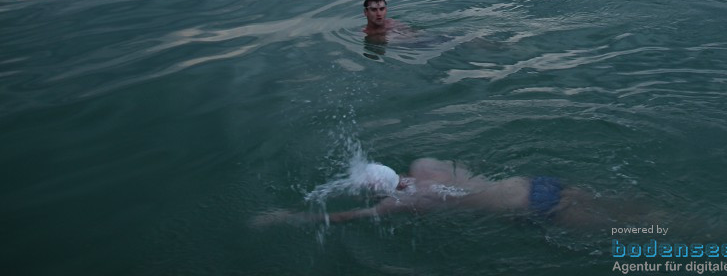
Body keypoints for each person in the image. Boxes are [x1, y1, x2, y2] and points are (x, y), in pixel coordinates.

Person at [252, 157, 649, 230]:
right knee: (635, 209)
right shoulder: (427, 166)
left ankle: (708, 237)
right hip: (533, 184)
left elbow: (340, 218)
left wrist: (284, 217)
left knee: (639, 231)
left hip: (532, 208)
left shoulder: (400, 203)